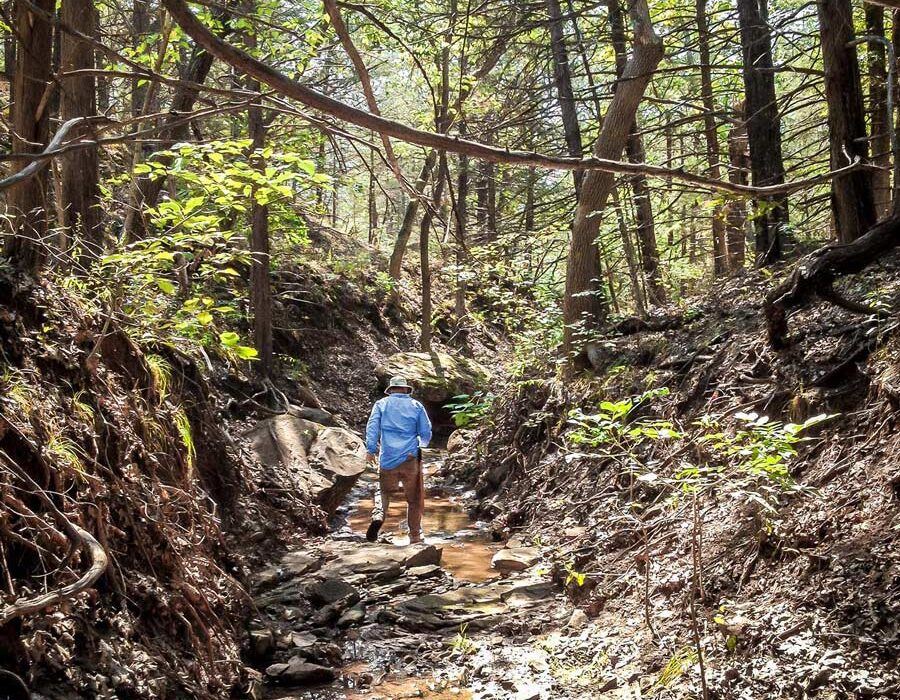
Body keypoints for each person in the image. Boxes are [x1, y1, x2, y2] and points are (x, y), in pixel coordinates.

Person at [364, 375, 432, 544]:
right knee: (414, 498)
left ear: (391, 390)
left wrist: (371, 449)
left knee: (384, 492)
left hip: (387, 457)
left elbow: (372, 427)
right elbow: (426, 430)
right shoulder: (416, 406)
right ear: (405, 389)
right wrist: (421, 445)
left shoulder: (381, 405)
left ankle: (378, 515)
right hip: (410, 457)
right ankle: (415, 535)